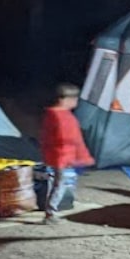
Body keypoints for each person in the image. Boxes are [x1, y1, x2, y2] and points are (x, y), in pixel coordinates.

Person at [39, 82, 95, 224]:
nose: (76, 101)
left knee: (56, 183)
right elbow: (69, 138)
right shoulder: (62, 116)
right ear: (64, 99)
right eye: (74, 98)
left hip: (57, 156)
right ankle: (50, 214)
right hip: (62, 157)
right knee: (59, 184)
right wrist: (80, 156)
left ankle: (50, 211)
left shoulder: (53, 114)